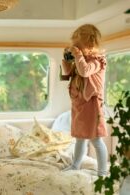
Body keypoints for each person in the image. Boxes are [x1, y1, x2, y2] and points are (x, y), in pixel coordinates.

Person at [60, 24, 108, 176]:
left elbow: (85, 72)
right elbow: (67, 74)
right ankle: (75, 165)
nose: (75, 49)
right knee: (80, 138)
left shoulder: (97, 61)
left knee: (96, 140)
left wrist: (78, 56)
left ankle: (102, 171)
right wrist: (67, 60)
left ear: (89, 44)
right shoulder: (81, 60)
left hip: (92, 105)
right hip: (80, 104)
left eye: (78, 46)